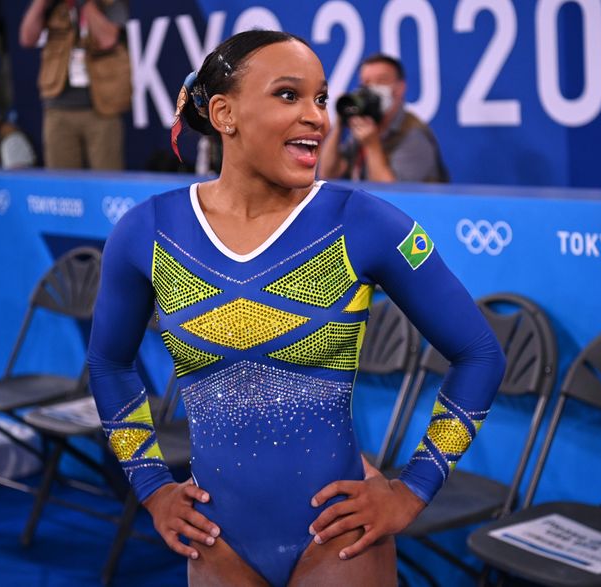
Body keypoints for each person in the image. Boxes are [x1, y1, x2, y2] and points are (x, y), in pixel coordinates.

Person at [87, 30, 504, 586]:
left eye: (322, 99)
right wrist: (153, 487)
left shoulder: (363, 221)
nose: (318, 118)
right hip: (216, 543)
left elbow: (479, 354)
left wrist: (412, 491)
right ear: (224, 112)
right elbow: (108, 365)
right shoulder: (148, 230)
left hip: (338, 544)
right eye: (289, 95)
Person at [19, 0, 131, 170]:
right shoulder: (53, 6)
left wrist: (85, 4)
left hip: (102, 109)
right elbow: (27, 38)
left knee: (107, 182)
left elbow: (107, 39)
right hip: (58, 109)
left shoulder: (110, 3)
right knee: (61, 186)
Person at [319, 53, 448, 183]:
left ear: (400, 88)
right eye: (366, 82)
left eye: (381, 81)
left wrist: (372, 145)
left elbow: (393, 195)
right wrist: (339, 124)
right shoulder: (366, 125)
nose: (372, 88)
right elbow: (328, 173)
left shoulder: (414, 135)